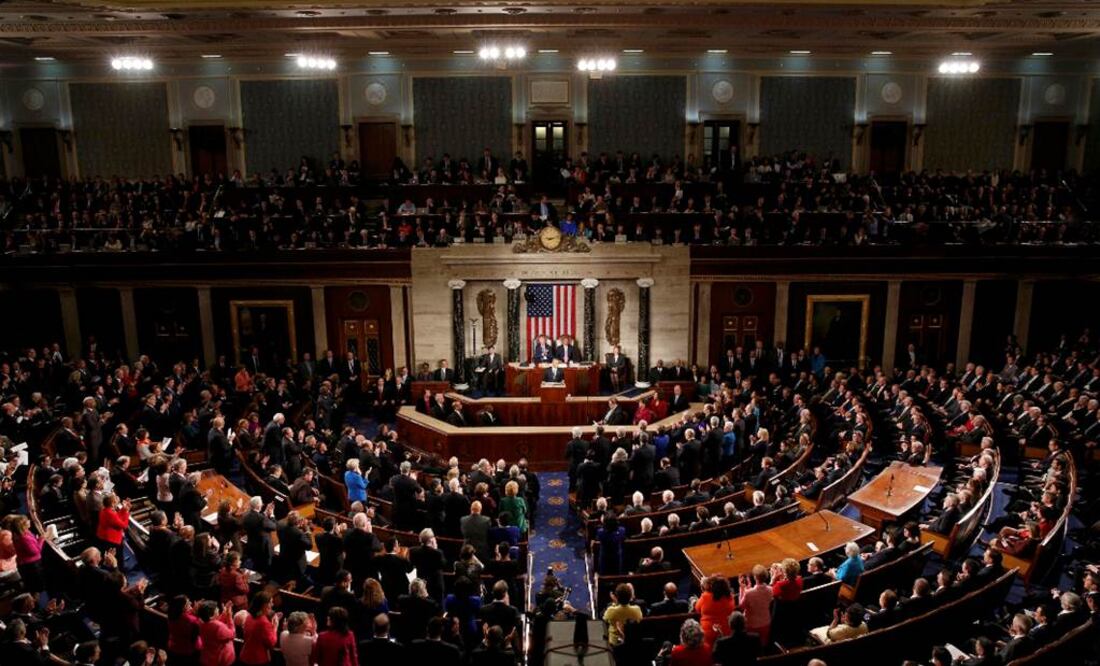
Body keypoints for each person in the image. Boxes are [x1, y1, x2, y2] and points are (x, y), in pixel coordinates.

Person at [694, 574, 736, 647]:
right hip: (726, 631)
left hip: (708, 632)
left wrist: (704, 590)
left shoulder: (705, 596)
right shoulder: (730, 597)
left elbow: (697, 609)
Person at [240, 592, 282, 666]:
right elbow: (272, 643)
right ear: (264, 605)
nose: (272, 605)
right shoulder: (263, 622)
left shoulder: (249, 617)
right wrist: (275, 627)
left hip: (245, 655)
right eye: (270, 602)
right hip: (257, 659)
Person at [603, 583, 643, 658]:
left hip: (613, 644)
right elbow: (639, 619)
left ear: (617, 597)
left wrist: (615, 603)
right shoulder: (637, 609)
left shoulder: (611, 610)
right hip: (632, 644)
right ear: (630, 596)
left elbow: (604, 620)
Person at [738, 565, 773, 645]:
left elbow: (741, 606)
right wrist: (748, 589)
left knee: (751, 646)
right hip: (766, 623)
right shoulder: (771, 590)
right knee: (763, 645)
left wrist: (742, 589)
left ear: (755, 577)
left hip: (751, 625)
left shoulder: (749, 593)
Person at [196, 600, 237, 666]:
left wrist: (224, 613)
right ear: (210, 615)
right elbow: (232, 634)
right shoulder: (218, 626)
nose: (218, 609)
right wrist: (229, 616)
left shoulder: (201, 622)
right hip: (220, 660)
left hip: (207, 658)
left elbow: (213, 622)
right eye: (216, 609)